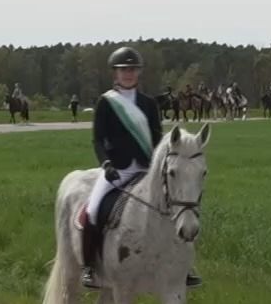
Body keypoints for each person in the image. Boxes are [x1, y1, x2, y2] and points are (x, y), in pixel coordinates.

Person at [77, 47, 200, 290]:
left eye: (132, 70)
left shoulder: (148, 103)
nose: (128, 74)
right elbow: (98, 139)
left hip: (147, 169)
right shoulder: (106, 102)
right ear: (116, 73)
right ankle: (90, 266)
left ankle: (184, 268)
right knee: (92, 211)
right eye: (124, 70)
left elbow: (157, 139)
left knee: (175, 207)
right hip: (117, 169)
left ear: (138, 73)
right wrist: (106, 163)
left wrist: (160, 167)